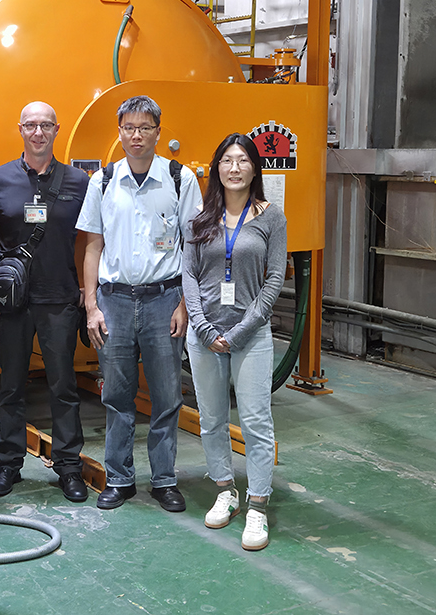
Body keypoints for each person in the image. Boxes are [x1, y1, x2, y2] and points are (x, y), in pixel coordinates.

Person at [77, 95, 201, 512]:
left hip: (163, 300)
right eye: (128, 128)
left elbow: (193, 247)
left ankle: (164, 480)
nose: (136, 136)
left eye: (144, 128)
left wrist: (184, 302)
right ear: (119, 132)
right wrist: (91, 305)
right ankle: (120, 479)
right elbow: (93, 247)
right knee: (117, 395)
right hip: (113, 302)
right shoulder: (103, 181)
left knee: (167, 396)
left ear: (158, 132)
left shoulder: (180, 179)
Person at [0, 102, 91, 502]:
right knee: (10, 386)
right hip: (13, 302)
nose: (38, 132)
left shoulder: (79, 181)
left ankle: (69, 467)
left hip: (60, 298)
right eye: (31, 125)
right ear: (20, 129)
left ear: (57, 130)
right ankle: (7, 464)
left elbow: (94, 239)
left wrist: (88, 295)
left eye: (46, 125)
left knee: (63, 387)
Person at [182, 133, 287, 552]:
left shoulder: (270, 216)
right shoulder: (199, 218)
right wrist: (204, 328)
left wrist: (240, 331)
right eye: (227, 160)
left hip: (252, 335)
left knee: (256, 421)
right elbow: (188, 274)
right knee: (210, 418)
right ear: (217, 168)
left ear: (254, 168)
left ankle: (258, 504)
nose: (235, 168)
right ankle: (225, 488)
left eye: (243, 160)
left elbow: (275, 278)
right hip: (204, 334)